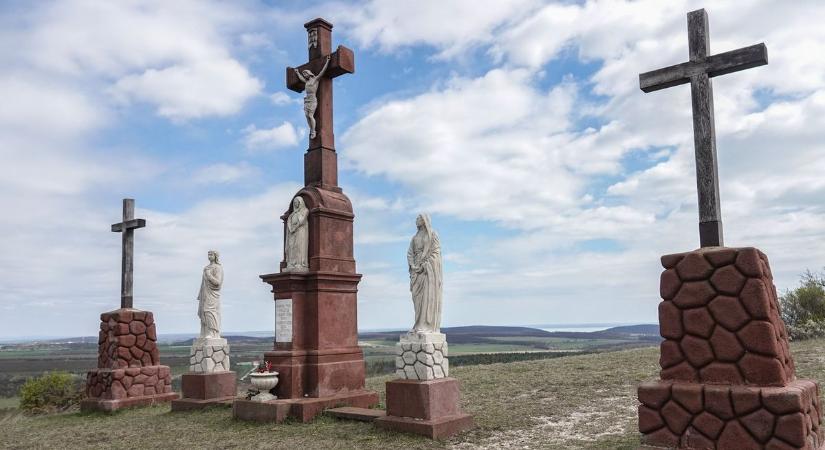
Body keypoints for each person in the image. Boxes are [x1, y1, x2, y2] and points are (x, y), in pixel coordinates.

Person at [407, 214, 443, 333]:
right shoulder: (414, 237)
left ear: (424, 220)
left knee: (427, 298)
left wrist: (426, 264)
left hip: (427, 272)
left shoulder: (432, 234)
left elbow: (436, 252)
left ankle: (425, 326)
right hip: (416, 272)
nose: (416, 220)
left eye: (418, 218)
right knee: (417, 300)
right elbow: (410, 253)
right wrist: (413, 265)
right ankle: (417, 325)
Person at [294, 55, 331, 139]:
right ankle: (311, 129)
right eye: (304, 74)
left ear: (309, 73)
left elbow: (322, 71)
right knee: (307, 116)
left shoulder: (316, 79)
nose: (304, 75)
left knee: (310, 115)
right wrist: (297, 73)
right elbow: (300, 79)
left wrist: (327, 61)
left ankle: (313, 130)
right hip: (306, 100)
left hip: (312, 99)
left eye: (305, 73)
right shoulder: (306, 82)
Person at [198, 250, 223, 338]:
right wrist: (200, 294)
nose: (209, 256)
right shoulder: (206, 268)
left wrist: (209, 276)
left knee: (209, 311)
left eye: (211, 254)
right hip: (205, 292)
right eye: (208, 254)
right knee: (203, 312)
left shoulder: (217, 268)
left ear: (215, 256)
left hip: (213, 293)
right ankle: (204, 332)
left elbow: (218, 282)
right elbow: (202, 283)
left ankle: (213, 332)